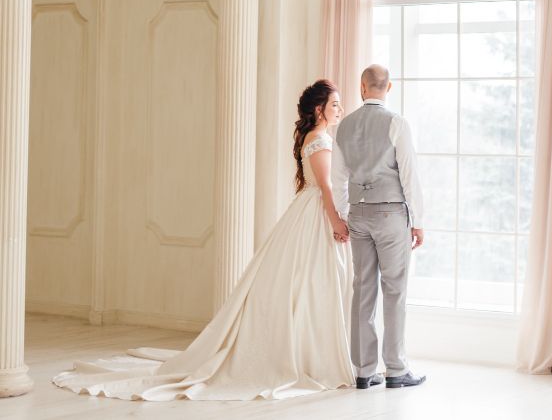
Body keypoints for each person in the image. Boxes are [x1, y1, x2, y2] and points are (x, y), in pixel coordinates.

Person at [52, 80, 354, 400]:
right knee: (310, 284)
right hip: (315, 215)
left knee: (308, 286)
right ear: (319, 109)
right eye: (335, 104)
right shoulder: (319, 140)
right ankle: (311, 356)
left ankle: (313, 351)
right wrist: (336, 220)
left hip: (307, 214)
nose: (340, 109)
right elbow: (325, 187)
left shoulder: (318, 138)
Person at [333, 64, 426, 389]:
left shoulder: (344, 126)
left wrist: (345, 214)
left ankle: (364, 370)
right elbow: (409, 174)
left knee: (363, 290)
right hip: (391, 215)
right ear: (388, 87)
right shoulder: (396, 123)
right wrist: (419, 221)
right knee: (395, 289)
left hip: (358, 214)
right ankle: (397, 369)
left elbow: (338, 178)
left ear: (362, 87)